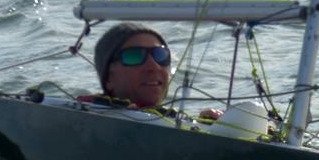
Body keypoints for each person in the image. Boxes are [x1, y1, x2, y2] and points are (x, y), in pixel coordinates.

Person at [80, 22, 223, 119]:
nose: (153, 66)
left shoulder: (176, 122)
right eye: (134, 56)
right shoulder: (84, 115)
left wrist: (209, 127)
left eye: (160, 55)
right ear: (108, 78)